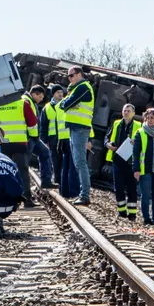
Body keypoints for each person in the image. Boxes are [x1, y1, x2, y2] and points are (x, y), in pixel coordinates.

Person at [0, 92, 38, 208]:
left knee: (4, 171)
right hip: (19, 142)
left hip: (3, 144)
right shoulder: (23, 103)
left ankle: (8, 200)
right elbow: (32, 122)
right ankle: (27, 199)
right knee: (22, 171)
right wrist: (33, 135)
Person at [58, 66, 96, 205]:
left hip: (80, 129)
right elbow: (63, 104)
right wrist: (67, 102)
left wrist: (68, 103)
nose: (69, 78)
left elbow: (66, 104)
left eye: (71, 75)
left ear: (79, 74)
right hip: (75, 128)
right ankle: (83, 194)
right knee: (77, 162)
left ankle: (85, 195)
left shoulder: (83, 87)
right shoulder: (75, 88)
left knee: (80, 162)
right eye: (68, 76)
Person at [105, 104, 141, 221]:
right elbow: (107, 137)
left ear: (133, 113)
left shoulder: (139, 126)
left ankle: (132, 214)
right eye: (124, 110)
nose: (126, 112)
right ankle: (121, 212)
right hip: (117, 160)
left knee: (131, 188)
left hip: (131, 161)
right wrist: (108, 144)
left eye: (128, 111)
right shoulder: (116, 124)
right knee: (118, 187)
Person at [48, 86, 78, 199]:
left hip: (62, 138)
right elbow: (82, 121)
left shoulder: (59, 105)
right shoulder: (72, 105)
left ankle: (64, 191)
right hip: (72, 137)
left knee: (65, 167)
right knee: (74, 167)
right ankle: (74, 193)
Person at [25, 85, 56, 189]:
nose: (41, 99)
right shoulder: (26, 102)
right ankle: (24, 189)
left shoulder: (31, 102)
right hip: (28, 138)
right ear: (34, 94)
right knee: (25, 163)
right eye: (40, 97)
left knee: (45, 153)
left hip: (34, 138)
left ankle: (46, 181)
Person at [40, 86, 63, 189]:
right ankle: (57, 179)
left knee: (64, 160)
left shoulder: (65, 105)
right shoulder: (47, 107)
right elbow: (43, 125)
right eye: (58, 92)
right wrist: (44, 140)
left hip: (64, 137)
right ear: (53, 94)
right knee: (55, 159)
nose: (61, 94)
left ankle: (63, 180)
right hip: (53, 137)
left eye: (61, 92)